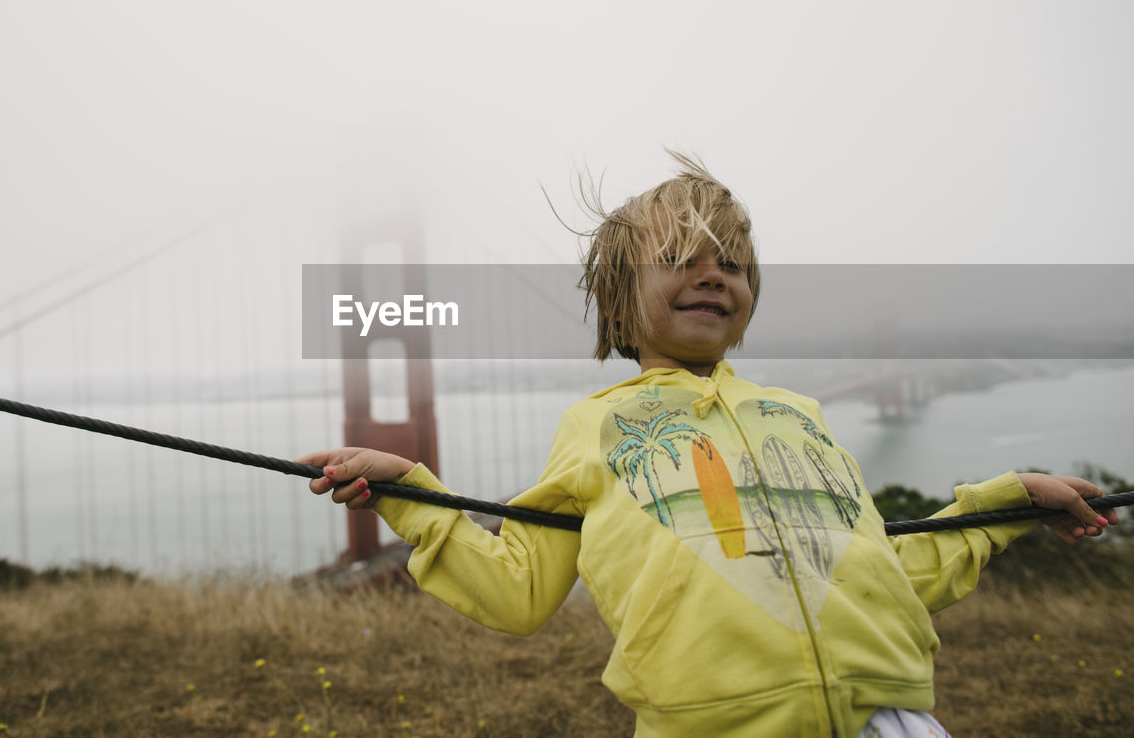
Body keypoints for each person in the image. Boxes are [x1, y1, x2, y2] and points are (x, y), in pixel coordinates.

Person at [298, 153, 1117, 737]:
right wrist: (410, 490)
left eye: (733, 263)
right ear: (620, 299)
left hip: (890, 718)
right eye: (678, 258)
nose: (713, 272)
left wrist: (1005, 503)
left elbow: (879, 572)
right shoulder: (597, 428)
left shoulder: (798, 415)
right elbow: (518, 591)